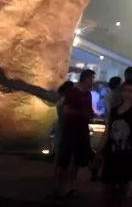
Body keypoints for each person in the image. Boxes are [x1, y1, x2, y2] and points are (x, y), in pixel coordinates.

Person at [54, 68, 96, 198]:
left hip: (82, 130)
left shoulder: (88, 94)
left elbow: (88, 110)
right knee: (64, 161)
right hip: (71, 130)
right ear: (85, 79)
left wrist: (90, 114)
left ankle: (70, 186)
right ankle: (60, 187)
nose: (93, 82)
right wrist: (83, 114)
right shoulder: (73, 93)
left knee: (78, 161)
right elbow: (66, 110)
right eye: (91, 79)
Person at [99, 79, 132, 206]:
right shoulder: (114, 110)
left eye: (130, 91)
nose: (126, 94)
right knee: (107, 190)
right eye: (124, 90)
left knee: (123, 192)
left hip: (128, 154)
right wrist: (99, 150)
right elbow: (107, 131)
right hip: (112, 153)